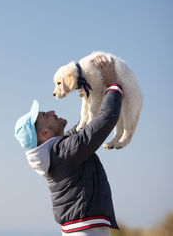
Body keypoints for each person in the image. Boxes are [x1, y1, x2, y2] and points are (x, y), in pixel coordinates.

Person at [14, 56, 122, 236]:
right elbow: (105, 119)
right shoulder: (64, 152)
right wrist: (113, 84)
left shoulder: (59, 149)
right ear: (44, 133)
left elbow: (88, 123)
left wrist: (94, 87)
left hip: (82, 229)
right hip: (86, 231)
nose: (52, 111)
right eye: (45, 115)